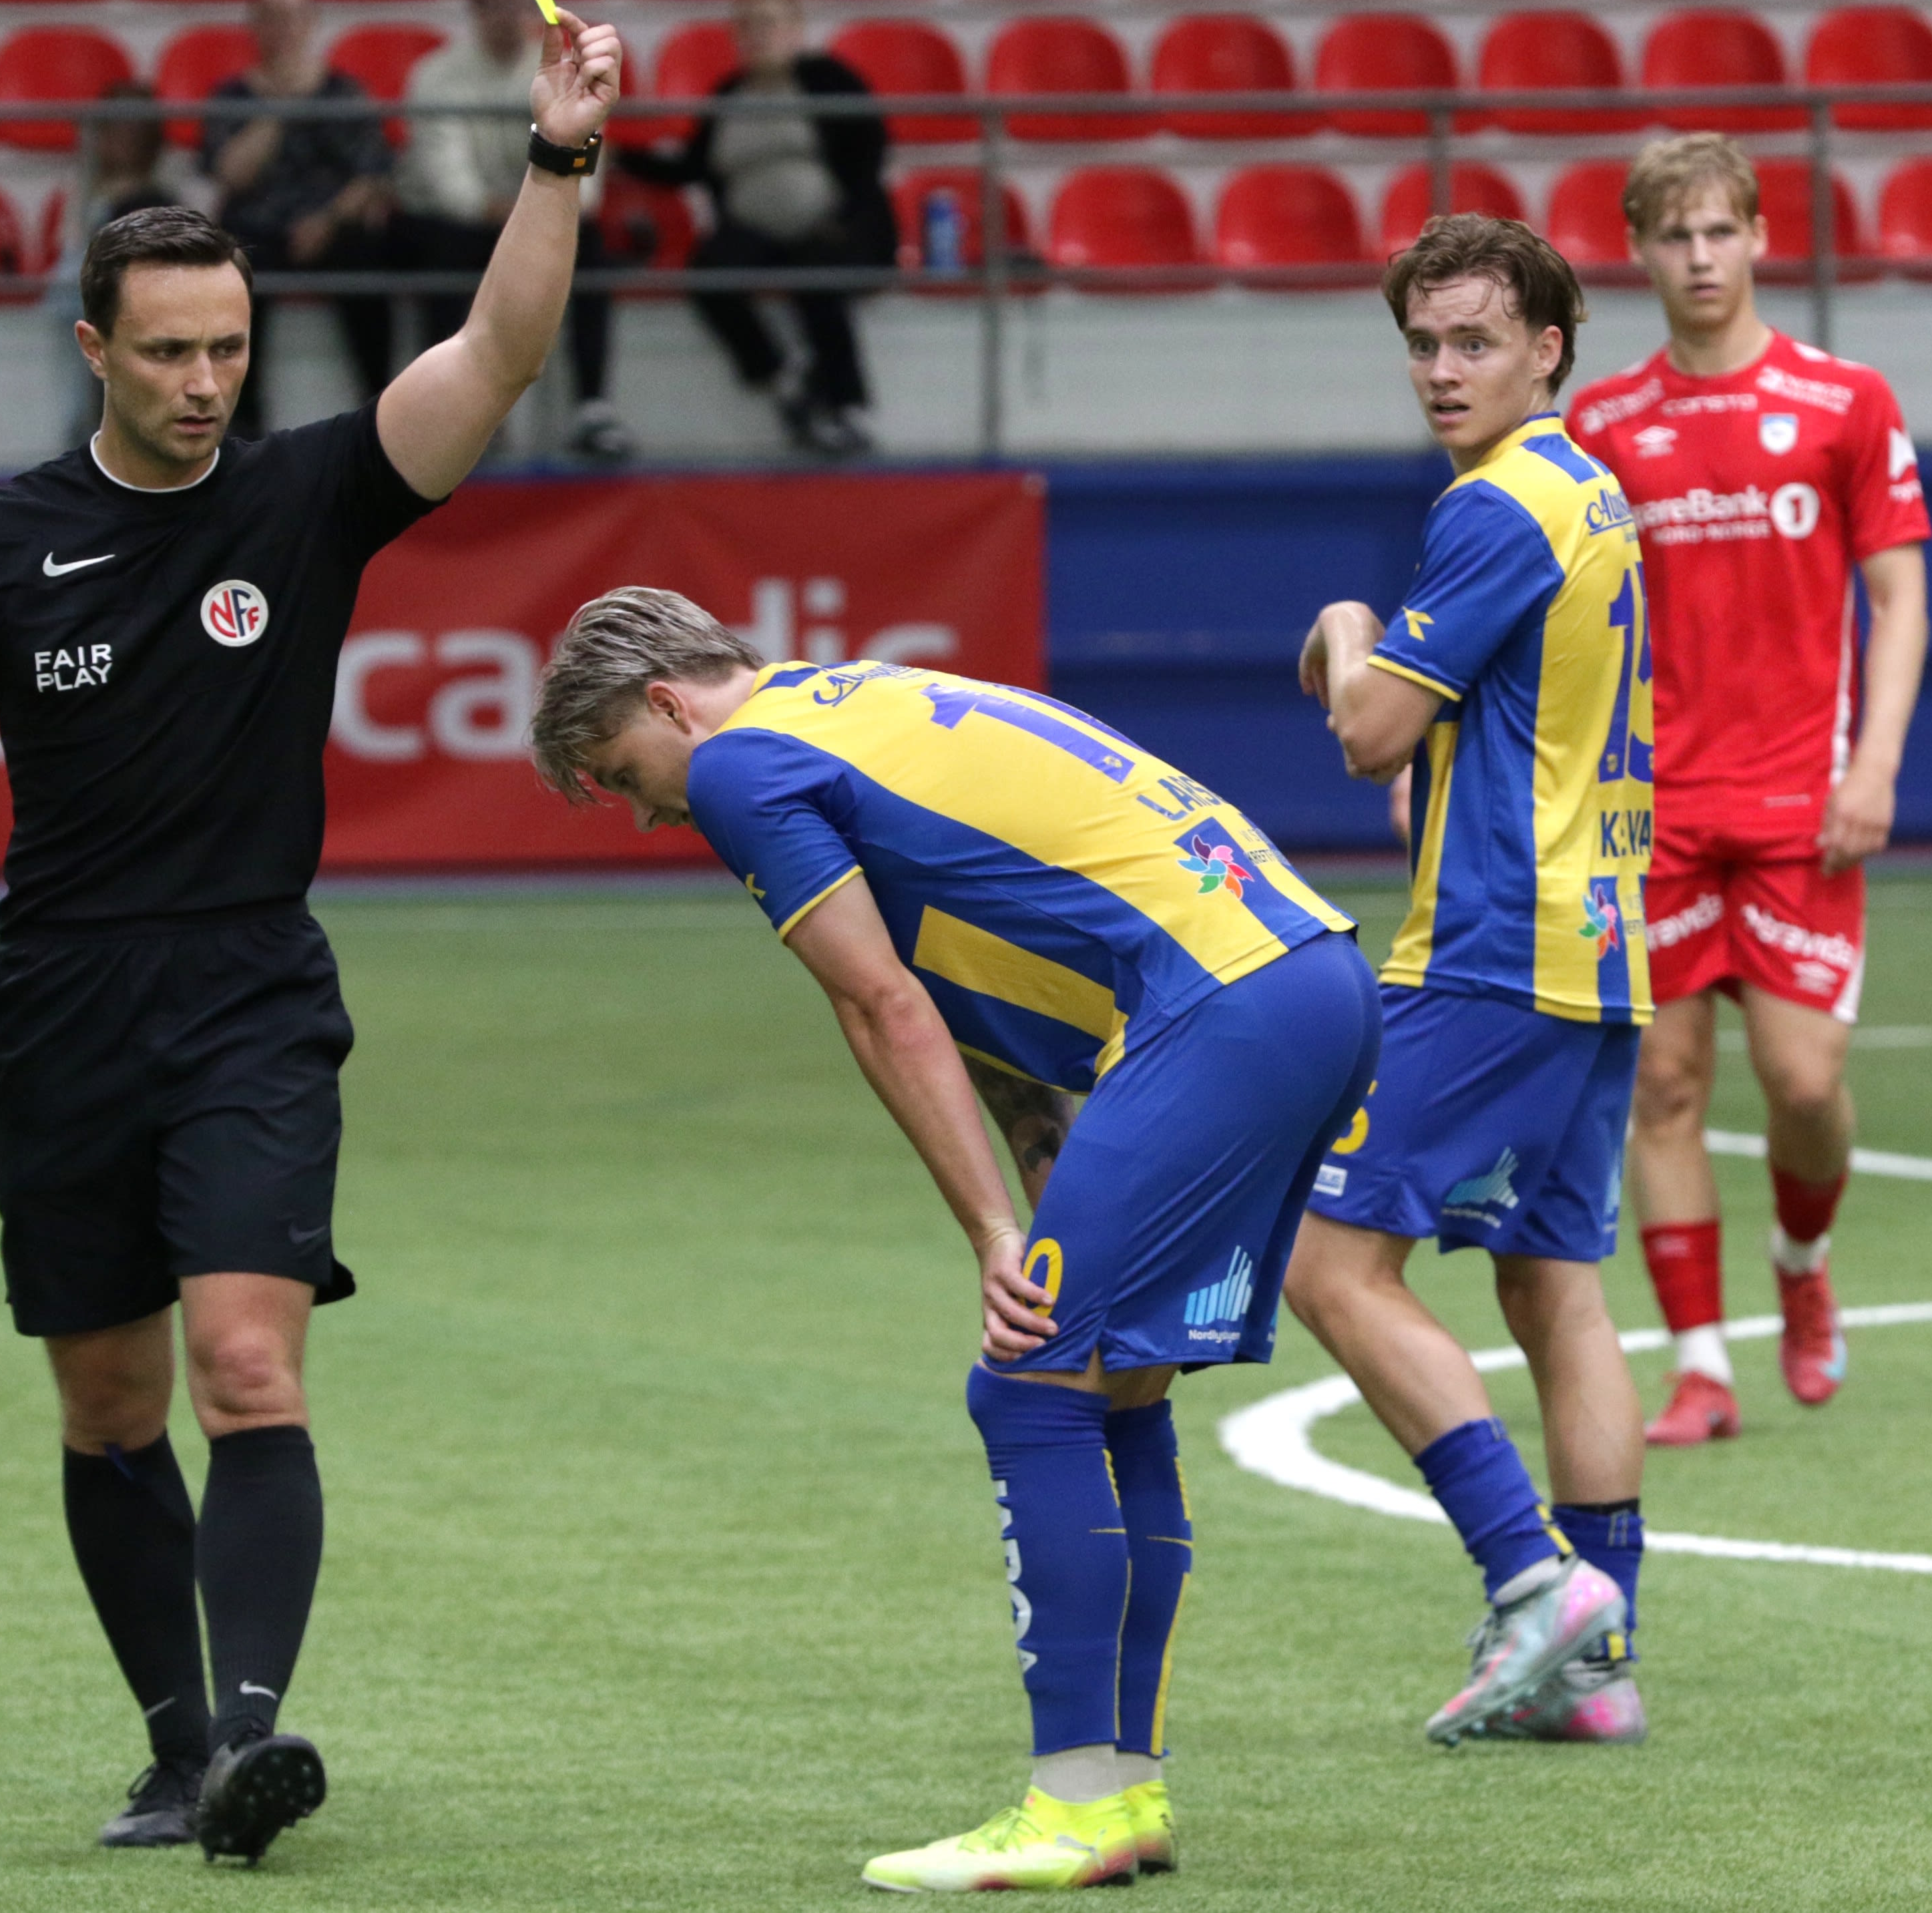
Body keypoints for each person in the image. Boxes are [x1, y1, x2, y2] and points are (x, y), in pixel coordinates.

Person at [0, 13, 625, 1866]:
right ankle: (176, 1750)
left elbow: (499, 350)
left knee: (248, 1367)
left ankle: (252, 1745)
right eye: (171, 351)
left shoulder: (303, 494)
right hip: (60, 1007)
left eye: (230, 349)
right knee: (108, 1404)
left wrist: (555, 155)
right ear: (93, 349)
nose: (205, 382)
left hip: (252, 990)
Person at [527, 592, 1379, 1890]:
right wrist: (1039, 1165)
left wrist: (990, 1229)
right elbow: (972, 971)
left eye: (627, 777)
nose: (649, 814)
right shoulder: (857, 702)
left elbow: (882, 1006)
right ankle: (1125, 1792)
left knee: (1027, 1385)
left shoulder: (740, 763)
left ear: (666, 705)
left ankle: (1074, 1804)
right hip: (1311, 975)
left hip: (1216, 1008)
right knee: (1117, 1386)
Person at [1289, 214, 1653, 1748]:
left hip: (1494, 947)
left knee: (1328, 1264)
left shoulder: (1495, 506)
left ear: (1546, 349)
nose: (1441, 371)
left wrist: (1342, 630)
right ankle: (1597, 1666)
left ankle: (1530, 1579)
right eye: (1423, 345)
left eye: (1474, 342)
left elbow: (1367, 731)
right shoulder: (1589, 488)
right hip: (1603, 945)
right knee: (1552, 1286)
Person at [1567, 133, 1931, 1448]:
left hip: (1800, 810)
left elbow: (1898, 597)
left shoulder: (1845, 401)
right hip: (1655, 817)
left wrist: (1873, 764)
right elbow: (1567, 625)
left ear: (1760, 238)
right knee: (1662, 1088)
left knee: (1804, 1084)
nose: (1700, 256)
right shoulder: (1601, 427)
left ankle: (1800, 1260)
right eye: (1675, 235)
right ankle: (1702, 1366)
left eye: (1721, 230)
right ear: (1640, 251)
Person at [622, 0, 896, 457]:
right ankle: (779, 374)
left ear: (795, 30)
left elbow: (867, 151)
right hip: (753, 229)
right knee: (709, 272)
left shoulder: (827, 78)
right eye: (747, 25)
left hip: (831, 222)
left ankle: (847, 407)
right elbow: (691, 166)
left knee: (819, 277)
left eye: (769, 23)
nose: (758, 34)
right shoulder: (728, 95)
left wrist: (842, 216)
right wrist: (618, 155)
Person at [397, 0, 632, 463]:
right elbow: (446, 179)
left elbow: (588, 174)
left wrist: (542, 210)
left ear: (533, 10)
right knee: (441, 250)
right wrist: (520, 210)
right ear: (475, 11)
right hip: (465, 221)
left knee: (589, 249)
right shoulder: (435, 75)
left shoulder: (568, 72)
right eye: (494, 4)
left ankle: (593, 406)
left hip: (536, 210)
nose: (506, 16)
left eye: (516, 4)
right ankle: (458, 412)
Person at [203, 0, 397, 437]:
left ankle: (383, 413)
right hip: (257, 225)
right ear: (253, 25)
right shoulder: (232, 96)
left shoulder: (344, 92)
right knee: (231, 275)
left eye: (293, 16)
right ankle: (242, 420)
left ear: (311, 23)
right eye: (271, 16)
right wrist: (279, 106)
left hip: (333, 222)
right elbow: (232, 174)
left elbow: (371, 174)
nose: (283, 27)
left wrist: (327, 219)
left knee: (371, 258)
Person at [49, 79, 190, 448]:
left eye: (133, 133)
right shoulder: (85, 188)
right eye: (114, 132)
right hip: (89, 307)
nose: (122, 143)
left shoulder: (166, 190)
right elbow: (71, 251)